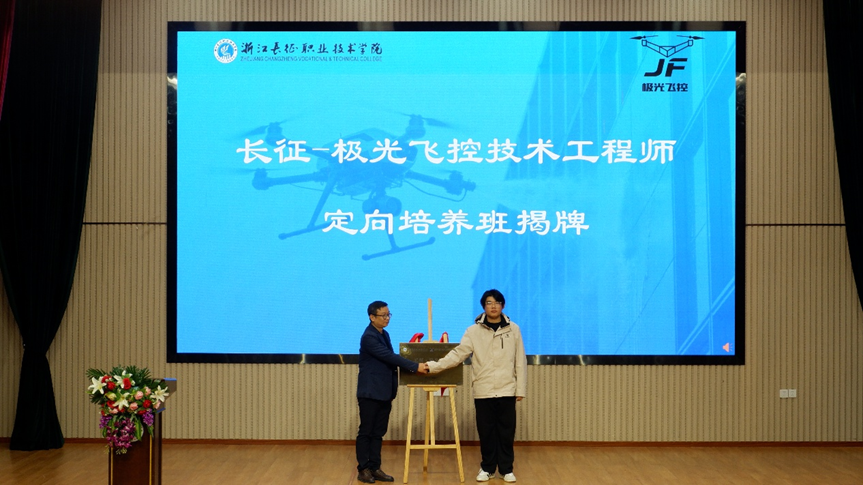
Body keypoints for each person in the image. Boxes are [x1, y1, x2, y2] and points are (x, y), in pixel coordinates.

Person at [425, 289, 527, 483]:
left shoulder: (513, 329)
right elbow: (458, 354)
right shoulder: (473, 331)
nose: (493, 306)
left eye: (497, 302)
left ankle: (506, 469)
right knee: (486, 432)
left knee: (506, 432)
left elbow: (520, 360)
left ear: (503, 305)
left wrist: (520, 389)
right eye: (489, 303)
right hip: (483, 390)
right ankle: (487, 468)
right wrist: (434, 366)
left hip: (507, 389)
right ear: (483, 306)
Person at [356, 300, 429, 484]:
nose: (387, 318)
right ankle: (363, 469)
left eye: (389, 314)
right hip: (370, 392)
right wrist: (415, 366)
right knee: (366, 431)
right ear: (372, 317)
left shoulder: (384, 334)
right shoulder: (369, 337)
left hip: (384, 392)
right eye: (383, 315)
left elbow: (390, 359)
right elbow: (389, 357)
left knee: (378, 432)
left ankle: (375, 467)